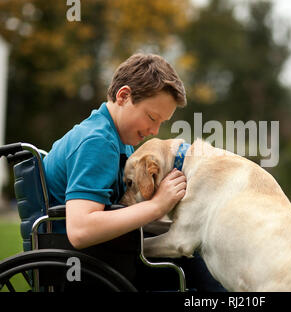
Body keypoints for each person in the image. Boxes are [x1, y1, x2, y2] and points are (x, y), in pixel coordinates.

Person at [43, 53, 225, 291]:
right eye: (151, 117)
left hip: (103, 257)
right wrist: (156, 206)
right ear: (124, 96)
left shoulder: (116, 139)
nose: (154, 130)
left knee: (193, 253)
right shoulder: (97, 142)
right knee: (197, 276)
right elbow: (80, 230)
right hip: (86, 267)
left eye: (162, 122)